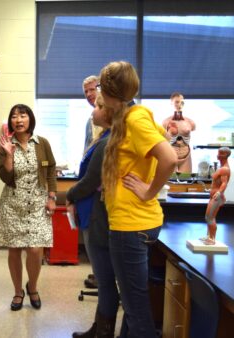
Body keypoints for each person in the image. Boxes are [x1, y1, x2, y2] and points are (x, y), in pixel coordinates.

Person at [100, 60, 177, 337]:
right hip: (133, 222)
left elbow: (169, 158)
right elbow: (165, 145)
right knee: (133, 306)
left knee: (137, 310)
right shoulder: (133, 116)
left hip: (131, 225)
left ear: (108, 91)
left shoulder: (135, 119)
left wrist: (149, 190)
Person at [0, 103, 57, 311]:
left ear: (30, 119)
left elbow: (51, 170)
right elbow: (5, 177)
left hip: (38, 202)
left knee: (35, 249)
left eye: (22, 115)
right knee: (15, 249)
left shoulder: (42, 143)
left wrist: (52, 196)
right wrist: (9, 155)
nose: (18, 120)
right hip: (13, 203)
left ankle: (33, 286)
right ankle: (18, 291)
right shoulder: (5, 144)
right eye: (14, 116)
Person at [68, 95, 118, 338]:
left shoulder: (108, 141)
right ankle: (99, 327)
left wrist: (69, 194)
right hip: (91, 212)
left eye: (98, 106)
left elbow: (90, 181)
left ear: (109, 111)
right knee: (103, 277)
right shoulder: (104, 139)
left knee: (105, 279)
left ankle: (104, 332)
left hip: (97, 215)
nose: (93, 110)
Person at [81, 74, 103, 290]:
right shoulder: (91, 118)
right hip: (90, 183)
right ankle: (99, 273)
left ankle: (103, 275)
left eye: (93, 89)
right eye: (86, 91)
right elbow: (88, 149)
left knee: (95, 234)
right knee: (88, 231)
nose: (89, 94)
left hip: (101, 187)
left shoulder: (113, 118)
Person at [201, 147, 230, 245]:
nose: (218, 155)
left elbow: (224, 183)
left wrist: (219, 192)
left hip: (217, 197)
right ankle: (209, 236)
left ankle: (212, 239)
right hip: (214, 196)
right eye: (218, 153)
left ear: (225, 155)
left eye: (220, 153)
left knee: (210, 217)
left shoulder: (225, 169)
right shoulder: (221, 168)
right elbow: (216, 182)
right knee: (209, 217)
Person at [162, 92, 196, 173]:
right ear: (171, 103)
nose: (179, 104)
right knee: (171, 182)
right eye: (177, 102)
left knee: (185, 181)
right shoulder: (165, 122)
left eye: (182, 102)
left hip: (186, 156)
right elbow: (162, 141)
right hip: (171, 155)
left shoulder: (190, 122)